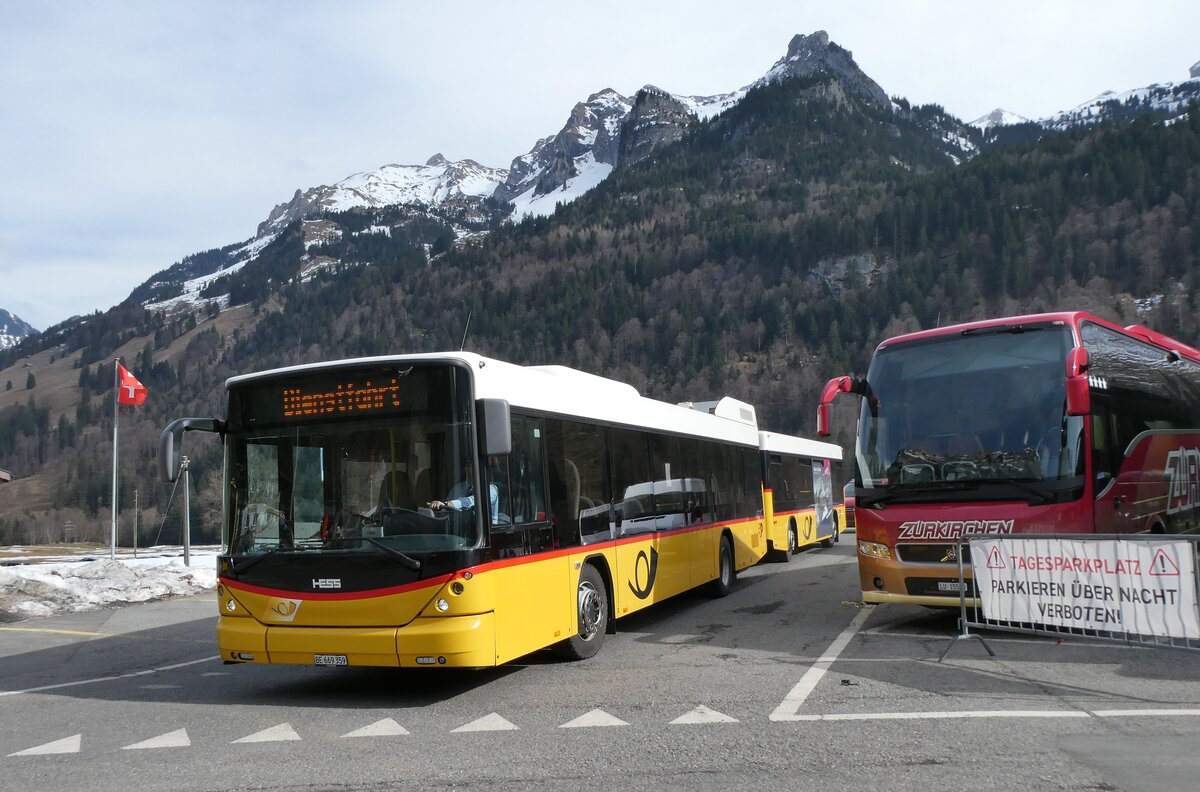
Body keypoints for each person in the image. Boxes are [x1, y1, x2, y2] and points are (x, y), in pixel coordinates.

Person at [428, 459, 500, 523]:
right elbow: (445, 510)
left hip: (485, 533)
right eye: (467, 466)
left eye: (470, 466)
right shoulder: (459, 487)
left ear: (480, 471)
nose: (467, 469)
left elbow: (469, 501)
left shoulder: (491, 490)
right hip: (461, 530)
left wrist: (445, 504)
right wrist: (438, 507)